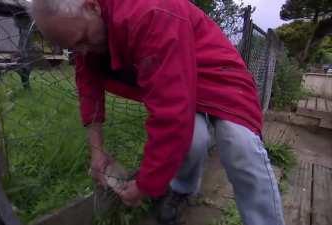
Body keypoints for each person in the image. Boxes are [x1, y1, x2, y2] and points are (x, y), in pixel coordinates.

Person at [30, 0, 285, 224]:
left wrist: (144, 185)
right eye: (74, 49)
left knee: (239, 145)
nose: (83, 51)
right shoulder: (85, 30)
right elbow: (89, 89)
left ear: (92, 6)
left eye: (82, 40)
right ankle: (181, 190)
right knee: (193, 140)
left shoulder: (150, 11)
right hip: (174, 79)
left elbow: (170, 115)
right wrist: (97, 152)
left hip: (216, 75)